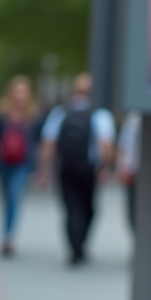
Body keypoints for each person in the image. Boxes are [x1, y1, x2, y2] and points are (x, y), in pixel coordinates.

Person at [37, 73, 116, 265]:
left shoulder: (61, 112)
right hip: (88, 169)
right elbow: (106, 146)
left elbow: (48, 142)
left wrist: (43, 169)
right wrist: (107, 167)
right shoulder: (99, 113)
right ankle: (79, 245)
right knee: (88, 208)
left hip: (65, 167)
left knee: (71, 208)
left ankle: (74, 246)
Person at [0, 76, 40, 256]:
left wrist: (38, 167)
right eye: (17, 92)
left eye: (23, 92)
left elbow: (37, 141)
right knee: (6, 198)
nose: (20, 96)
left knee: (14, 196)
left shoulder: (33, 116)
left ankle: (8, 236)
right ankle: (6, 230)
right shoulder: (2, 113)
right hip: (3, 161)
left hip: (22, 163)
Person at [116, 110, 141, 232]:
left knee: (134, 209)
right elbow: (127, 143)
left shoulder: (134, 117)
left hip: (135, 170)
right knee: (134, 208)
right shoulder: (134, 117)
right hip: (135, 172)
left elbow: (125, 144)